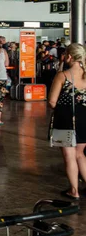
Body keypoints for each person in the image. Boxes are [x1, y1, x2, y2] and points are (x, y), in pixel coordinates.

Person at [48, 43, 86, 200]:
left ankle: (74, 190)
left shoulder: (63, 76)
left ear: (69, 57)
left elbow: (51, 101)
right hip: (84, 117)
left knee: (69, 156)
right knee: (80, 154)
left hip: (65, 119)